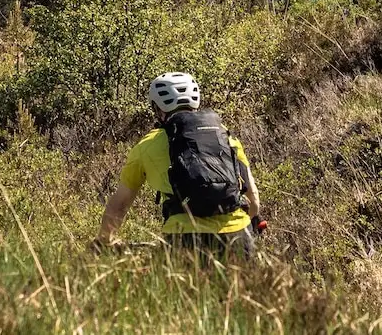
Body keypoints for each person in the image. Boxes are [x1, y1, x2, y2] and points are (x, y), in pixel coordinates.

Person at [96, 71, 263, 256]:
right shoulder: (225, 136)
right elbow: (253, 198)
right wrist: (249, 224)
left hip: (184, 238)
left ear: (157, 108)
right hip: (237, 236)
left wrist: (104, 240)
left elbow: (120, 203)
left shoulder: (146, 146)